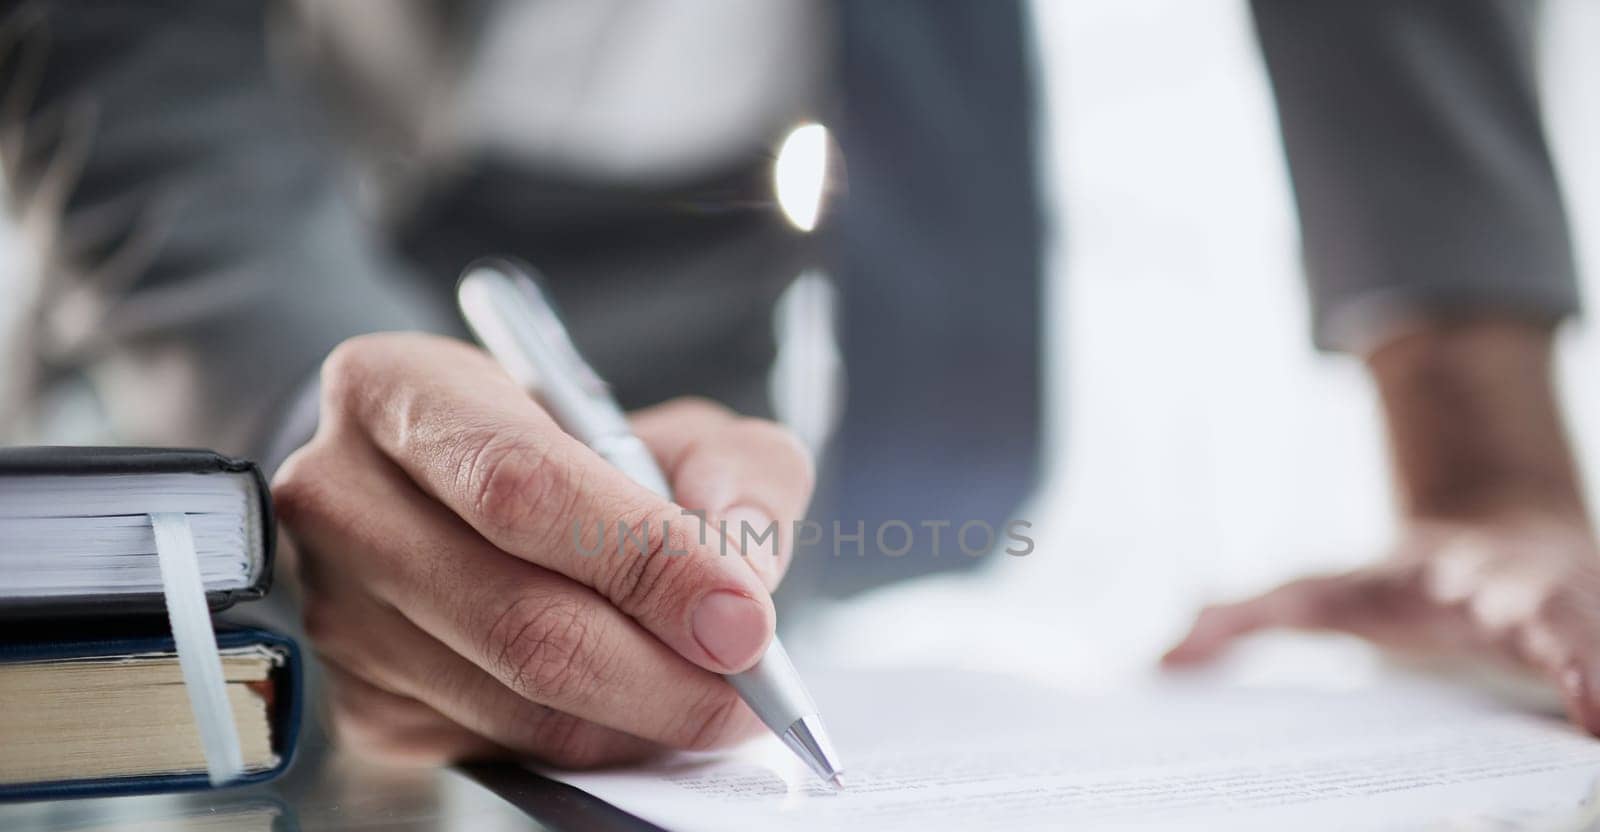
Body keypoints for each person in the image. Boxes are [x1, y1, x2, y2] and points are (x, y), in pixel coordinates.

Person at [2, 0, 1598, 768]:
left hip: (731, 232)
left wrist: (1489, 472)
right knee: (387, 686)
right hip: (319, 197)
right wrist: (293, 411)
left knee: (658, 686)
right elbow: (113, 46)